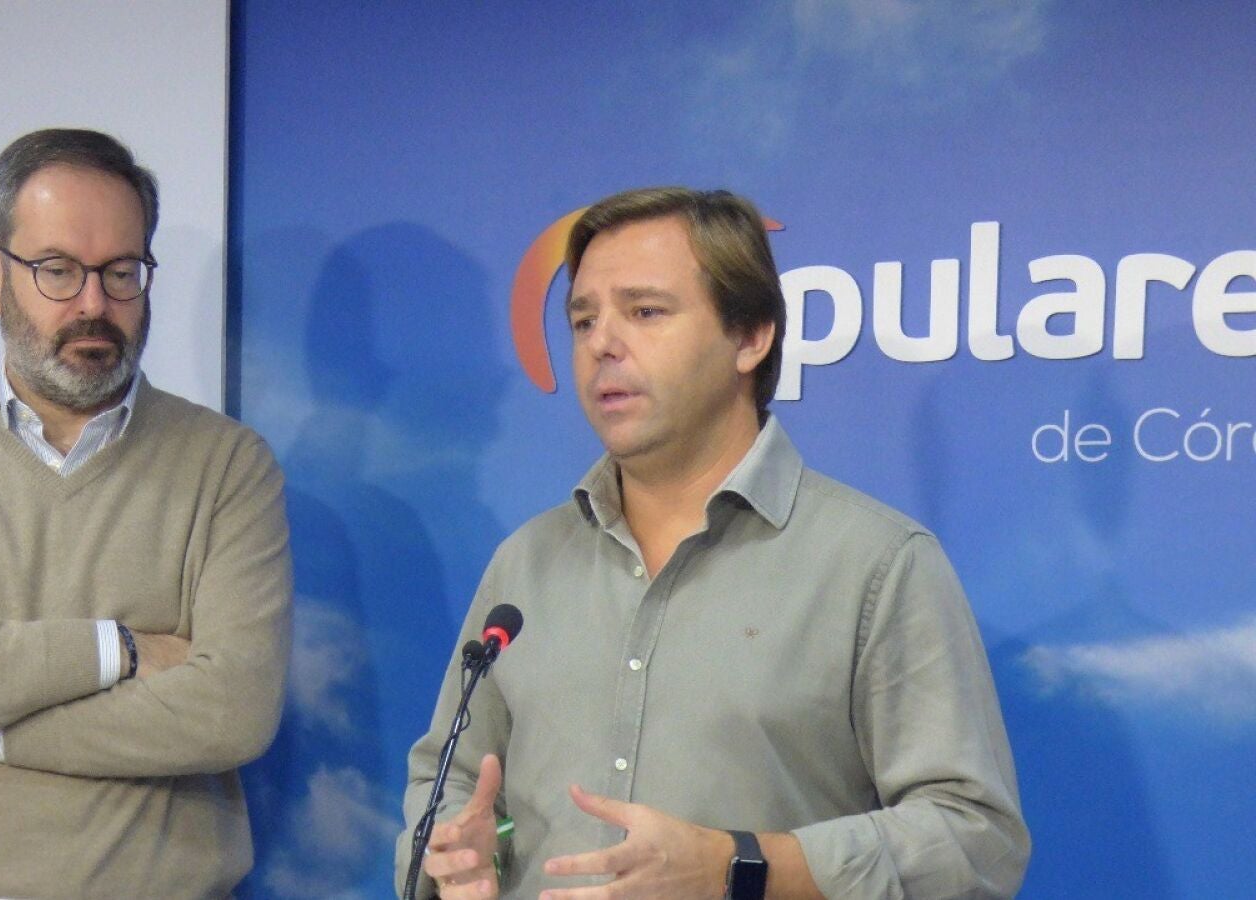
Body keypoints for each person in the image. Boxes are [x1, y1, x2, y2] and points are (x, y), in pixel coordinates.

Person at [397, 188, 1029, 899]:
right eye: (583, 320)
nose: (602, 343)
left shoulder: (876, 564)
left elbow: (974, 841)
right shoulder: (527, 562)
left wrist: (740, 866)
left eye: (645, 311)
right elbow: (448, 781)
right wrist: (463, 853)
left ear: (751, 336)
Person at [0, 128, 292, 899]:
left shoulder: (228, 467)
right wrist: (116, 651)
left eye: (121, 272)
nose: (95, 304)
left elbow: (232, 709)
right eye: (58, 271)